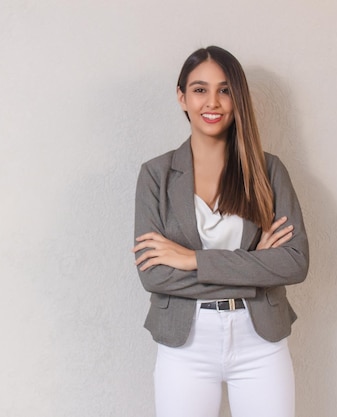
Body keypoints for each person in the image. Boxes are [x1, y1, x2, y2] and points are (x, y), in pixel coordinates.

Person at [132, 46, 309, 417]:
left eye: (225, 90)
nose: (212, 102)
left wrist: (191, 260)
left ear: (237, 97)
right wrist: (255, 269)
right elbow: (155, 275)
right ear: (181, 96)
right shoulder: (155, 175)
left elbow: (294, 263)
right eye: (199, 89)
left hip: (260, 341)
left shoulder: (268, 170)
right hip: (185, 345)